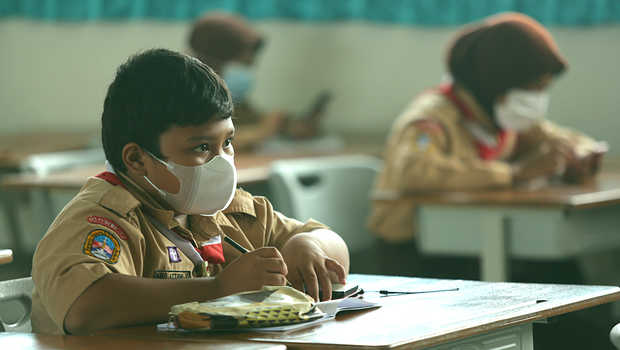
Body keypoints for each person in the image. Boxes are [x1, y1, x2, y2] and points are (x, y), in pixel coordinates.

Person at [30, 49, 349, 335]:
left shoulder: (226, 212)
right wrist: (218, 288)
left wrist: (307, 245)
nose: (222, 161)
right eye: (201, 147)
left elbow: (334, 246)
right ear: (137, 158)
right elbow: (86, 307)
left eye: (227, 142)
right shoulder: (104, 218)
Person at [369, 12, 607, 245]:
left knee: (565, 272)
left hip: (469, 241)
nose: (538, 98)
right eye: (533, 88)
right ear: (495, 84)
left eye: (544, 88)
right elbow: (416, 172)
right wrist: (515, 173)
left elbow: (561, 139)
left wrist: (577, 157)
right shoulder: (431, 119)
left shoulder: (500, 118)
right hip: (414, 248)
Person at [188, 12, 326, 152]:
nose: (248, 71)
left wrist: (288, 127)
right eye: (243, 64)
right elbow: (198, 143)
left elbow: (249, 121)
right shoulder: (185, 94)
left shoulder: (225, 98)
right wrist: (262, 132)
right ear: (212, 59)